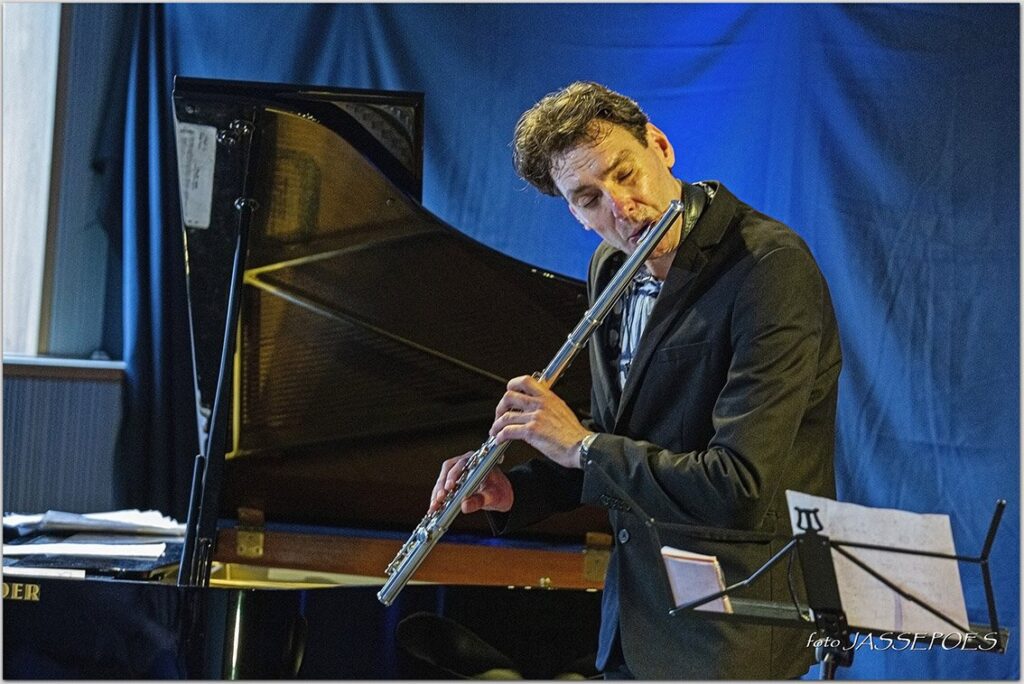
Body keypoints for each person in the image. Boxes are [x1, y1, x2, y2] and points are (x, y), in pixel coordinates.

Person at [429, 81, 841, 679]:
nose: (621, 209)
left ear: (660, 146)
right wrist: (517, 491)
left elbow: (738, 488)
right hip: (635, 625)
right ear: (572, 211)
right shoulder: (610, 266)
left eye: (624, 174)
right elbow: (624, 438)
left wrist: (580, 446)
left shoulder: (768, 269)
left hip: (731, 639)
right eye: (588, 199)